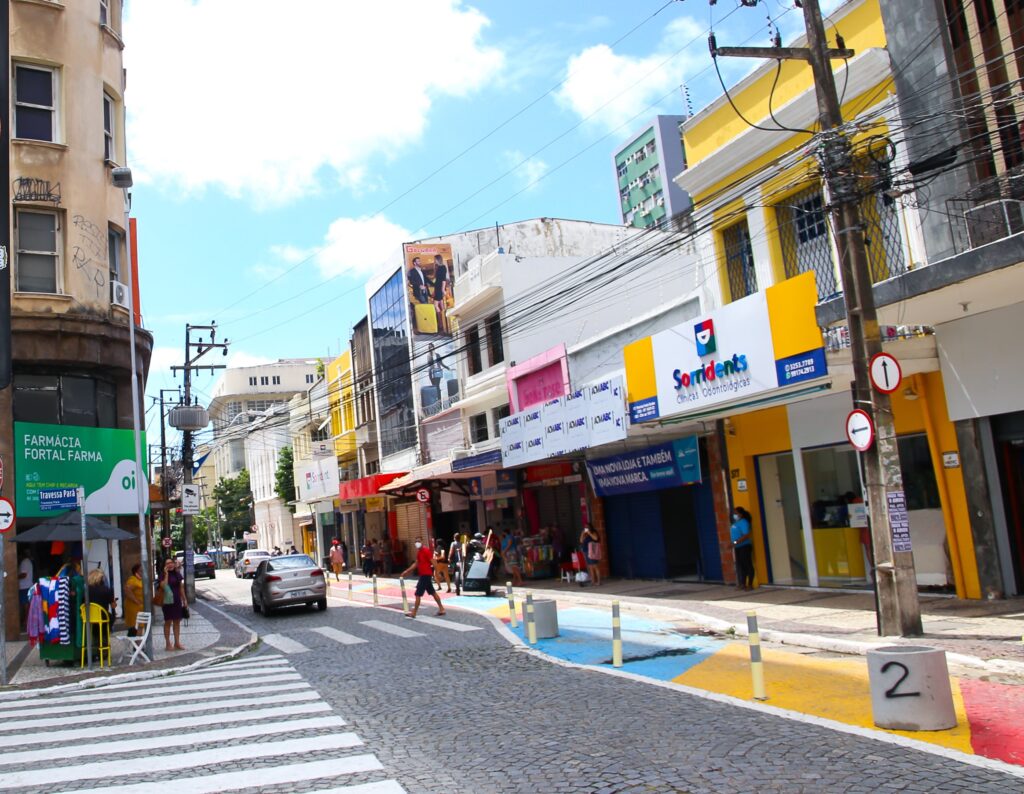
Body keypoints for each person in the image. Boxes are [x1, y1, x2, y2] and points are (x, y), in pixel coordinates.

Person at [400, 538, 446, 619]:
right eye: (416, 542)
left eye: (418, 541)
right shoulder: (419, 552)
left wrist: (437, 573)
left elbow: (434, 562)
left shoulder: (426, 551)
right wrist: (407, 571)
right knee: (432, 592)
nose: (417, 543)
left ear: (422, 542)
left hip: (425, 575)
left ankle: (414, 612)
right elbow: (416, 563)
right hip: (425, 575)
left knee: (418, 594)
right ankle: (441, 609)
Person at [157, 557, 187, 651]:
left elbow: (181, 588)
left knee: (177, 622)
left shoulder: (177, 574)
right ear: (165, 566)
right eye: (167, 563)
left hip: (177, 600)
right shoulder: (162, 575)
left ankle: (177, 642)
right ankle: (168, 643)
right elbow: (164, 586)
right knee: (168, 622)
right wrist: (166, 574)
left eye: (171, 563)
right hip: (167, 602)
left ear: (174, 564)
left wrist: (184, 599)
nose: (170, 565)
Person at [731, 506, 755, 590]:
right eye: (734, 513)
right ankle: (742, 584)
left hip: (744, 546)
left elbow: (746, 535)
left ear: (741, 514)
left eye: (736, 513)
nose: (734, 515)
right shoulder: (736, 523)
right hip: (738, 547)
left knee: (747, 565)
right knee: (741, 566)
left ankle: (750, 584)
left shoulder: (744, 522)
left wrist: (735, 542)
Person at [123, 563, 144, 636]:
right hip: (134, 607)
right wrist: (135, 600)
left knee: (139, 626)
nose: (143, 572)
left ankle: (137, 645)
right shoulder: (133, 579)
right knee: (139, 626)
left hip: (139, 607)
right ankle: (138, 646)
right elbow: (127, 590)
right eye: (141, 570)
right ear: (137, 571)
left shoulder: (140, 580)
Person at [17, 549, 34, 627]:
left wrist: (14, 577)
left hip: (24, 586)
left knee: (25, 605)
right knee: (26, 604)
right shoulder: (29, 562)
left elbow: (24, 575)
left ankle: (26, 621)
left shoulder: (24, 562)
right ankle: (26, 620)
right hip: (27, 585)